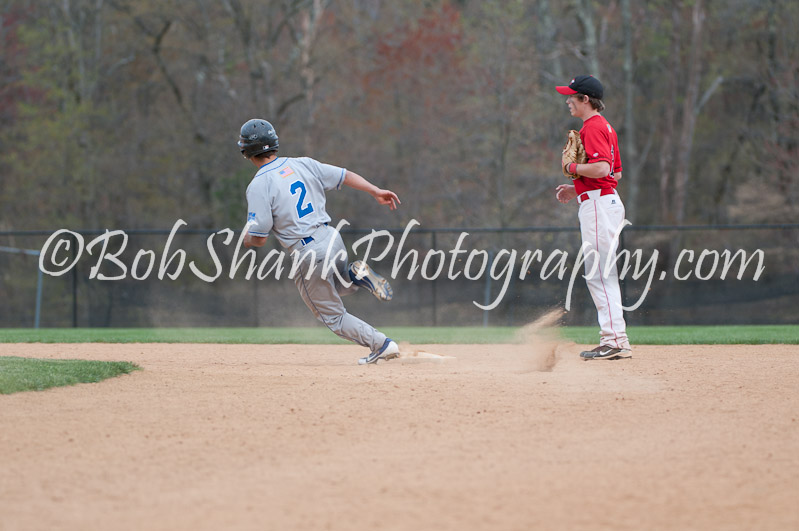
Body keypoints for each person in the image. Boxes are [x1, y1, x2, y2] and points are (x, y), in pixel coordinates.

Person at [238, 118, 401, 365]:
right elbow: (344, 175)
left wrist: (246, 240)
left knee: (332, 317)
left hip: (308, 252)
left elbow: (259, 238)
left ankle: (381, 344)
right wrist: (375, 191)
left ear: (246, 151)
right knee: (339, 287)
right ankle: (356, 275)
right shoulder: (302, 164)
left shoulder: (259, 184)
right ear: (274, 144)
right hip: (331, 236)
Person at [554, 75, 632, 360]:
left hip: (599, 206)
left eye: (572, 97)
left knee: (599, 274)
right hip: (602, 202)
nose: (568, 101)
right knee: (601, 273)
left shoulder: (593, 127)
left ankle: (615, 341)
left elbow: (601, 169)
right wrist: (576, 187)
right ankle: (615, 340)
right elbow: (616, 173)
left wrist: (572, 166)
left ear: (586, 99)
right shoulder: (605, 127)